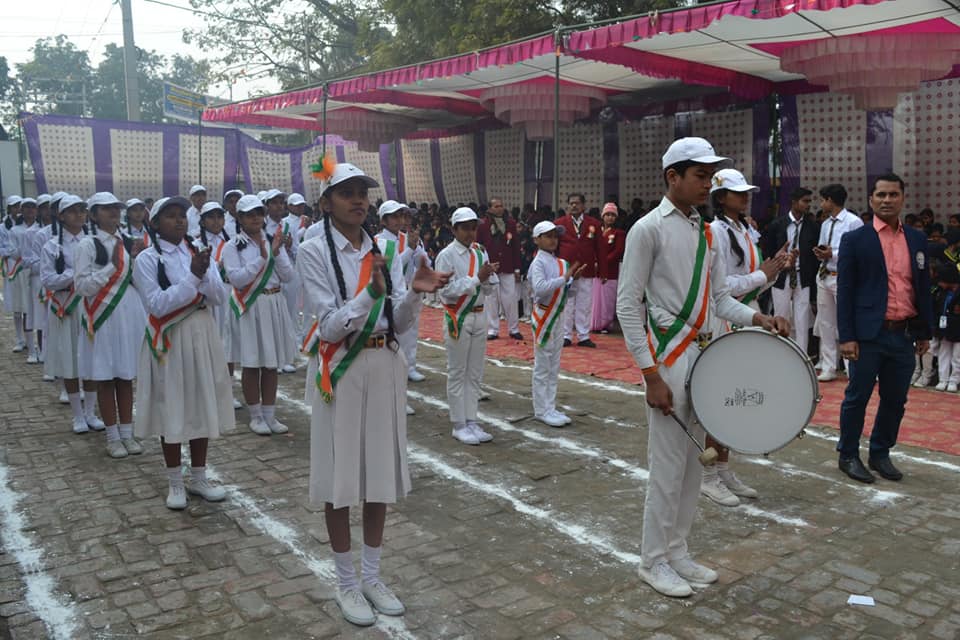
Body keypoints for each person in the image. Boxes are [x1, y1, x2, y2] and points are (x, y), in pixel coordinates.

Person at [617, 137, 790, 598]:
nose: (707, 184)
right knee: (667, 467)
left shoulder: (708, 232)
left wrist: (758, 318)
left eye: (711, 177)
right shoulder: (647, 229)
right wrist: (649, 374)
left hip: (705, 357)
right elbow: (628, 305)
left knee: (695, 465)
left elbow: (719, 300)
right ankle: (652, 561)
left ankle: (677, 551)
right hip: (669, 360)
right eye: (700, 176)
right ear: (672, 176)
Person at [297, 162, 449, 626]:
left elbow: (397, 321)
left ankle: (372, 575)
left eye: (363, 192)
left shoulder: (385, 247)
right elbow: (328, 326)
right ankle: (346, 582)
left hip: (384, 363)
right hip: (341, 368)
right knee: (341, 478)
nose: (358, 200)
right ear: (326, 202)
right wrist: (369, 294)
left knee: (379, 474)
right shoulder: (313, 250)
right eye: (347, 192)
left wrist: (414, 295)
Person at [134, 196, 233, 510]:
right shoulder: (147, 259)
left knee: (201, 403)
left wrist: (203, 274)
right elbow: (157, 305)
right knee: (173, 405)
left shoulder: (197, 252)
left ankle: (199, 478)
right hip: (170, 338)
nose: (178, 221)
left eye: (182, 215)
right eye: (170, 216)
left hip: (202, 332)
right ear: (155, 223)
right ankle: (175, 481)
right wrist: (193, 277)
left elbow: (218, 297)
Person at [698, 169, 789, 507]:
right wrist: (761, 275)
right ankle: (707, 476)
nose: (745, 196)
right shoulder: (716, 232)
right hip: (725, 319)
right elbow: (720, 288)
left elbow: (754, 283)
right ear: (720, 197)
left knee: (735, 399)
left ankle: (723, 468)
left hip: (747, 315)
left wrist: (774, 269)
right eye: (737, 192)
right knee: (720, 399)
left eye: (746, 191)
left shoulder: (745, 230)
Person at [836, 174, 932, 484]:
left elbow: (921, 287)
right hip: (868, 335)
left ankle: (880, 453)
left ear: (902, 198)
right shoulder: (855, 239)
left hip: (903, 334)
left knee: (895, 400)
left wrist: (924, 331)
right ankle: (848, 455)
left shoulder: (917, 239)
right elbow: (845, 290)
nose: (887, 200)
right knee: (857, 397)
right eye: (881, 195)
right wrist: (847, 336)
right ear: (871, 199)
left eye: (893, 194)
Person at [74, 192, 147, 458]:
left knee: (125, 377)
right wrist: (110, 268)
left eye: (116, 208)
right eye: (106, 209)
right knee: (105, 377)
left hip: (128, 315)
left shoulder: (128, 241)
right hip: (103, 316)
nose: (114, 212)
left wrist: (137, 260)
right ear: (93, 215)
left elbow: (138, 280)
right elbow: (82, 286)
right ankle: (112, 437)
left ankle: (127, 433)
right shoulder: (87, 245)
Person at [222, 194, 296, 436]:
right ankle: (255, 416)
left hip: (273, 303)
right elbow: (237, 279)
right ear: (240, 218)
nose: (255, 218)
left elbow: (288, 276)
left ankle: (270, 415)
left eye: (258, 213)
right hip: (250, 306)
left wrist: (277, 253)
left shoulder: (273, 240)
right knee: (252, 363)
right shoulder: (233, 246)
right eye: (249, 215)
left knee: (271, 364)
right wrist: (263, 259)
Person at [435, 207, 498, 445]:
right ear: (454, 229)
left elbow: (488, 289)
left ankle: (472, 420)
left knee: (475, 372)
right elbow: (446, 291)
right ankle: (459, 424)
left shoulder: (480, 252)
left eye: (473, 228)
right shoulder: (446, 255)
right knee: (457, 372)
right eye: (465, 228)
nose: (470, 233)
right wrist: (477, 279)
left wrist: (489, 278)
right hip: (458, 316)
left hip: (480, 314)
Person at [40, 195, 102, 433]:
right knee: (70, 360)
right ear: (62, 215)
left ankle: (91, 412)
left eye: (82, 210)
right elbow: (48, 280)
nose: (79, 215)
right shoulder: (52, 246)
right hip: (65, 307)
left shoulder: (94, 242)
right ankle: (77, 415)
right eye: (73, 211)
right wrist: (75, 274)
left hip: (90, 306)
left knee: (91, 359)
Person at [528, 220, 585, 427]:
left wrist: (573, 280)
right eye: (548, 236)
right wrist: (564, 278)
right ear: (537, 239)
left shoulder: (561, 263)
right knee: (543, 364)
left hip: (558, 315)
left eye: (555, 236)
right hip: (544, 316)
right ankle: (541, 409)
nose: (553, 240)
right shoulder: (538, 263)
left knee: (554, 364)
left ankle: (549, 406)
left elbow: (568, 293)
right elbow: (540, 288)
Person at [762, 187, 820, 358]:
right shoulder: (777, 224)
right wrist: (777, 267)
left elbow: (814, 256)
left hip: (803, 276)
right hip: (781, 276)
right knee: (781, 316)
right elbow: (768, 251)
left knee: (802, 319)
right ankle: (780, 356)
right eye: (805, 201)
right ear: (794, 202)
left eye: (809, 201)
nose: (808, 205)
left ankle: (801, 357)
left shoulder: (812, 226)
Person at [813, 184, 863, 382]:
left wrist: (832, 254)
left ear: (830, 200)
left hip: (843, 277)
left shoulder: (853, 222)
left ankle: (852, 366)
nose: (821, 204)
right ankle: (828, 366)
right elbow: (824, 246)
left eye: (822, 200)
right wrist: (821, 252)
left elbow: (858, 251)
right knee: (825, 322)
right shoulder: (826, 224)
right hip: (824, 274)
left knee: (846, 321)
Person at [197, 201, 242, 409]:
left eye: (219, 217)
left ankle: (226, 392)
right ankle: (207, 391)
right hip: (208, 297)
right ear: (202, 221)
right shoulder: (196, 242)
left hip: (228, 294)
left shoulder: (232, 242)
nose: (216, 221)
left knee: (227, 342)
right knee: (207, 343)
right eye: (211, 217)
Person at [555, 193, 602, 348]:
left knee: (585, 303)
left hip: (586, 269)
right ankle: (566, 335)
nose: (574, 206)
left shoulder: (594, 223)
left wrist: (603, 272)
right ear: (567, 206)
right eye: (571, 203)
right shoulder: (560, 224)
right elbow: (554, 247)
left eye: (577, 203)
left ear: (583, 206)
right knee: (567, 303)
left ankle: (583, 335)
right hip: (566, 270)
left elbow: (600, 248)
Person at [263, 189, 300, 374]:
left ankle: (285, 358)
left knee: (288, 316)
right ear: (267, 206)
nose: (278, 206)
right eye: (274, 203)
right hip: (270, 277)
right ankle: (273, 359)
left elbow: (297, 252)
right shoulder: (262, 226)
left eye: (280, 203)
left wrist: (290, 245)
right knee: (272, 319)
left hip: (288, 274)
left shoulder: (288, 226)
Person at [477, 198, 524, 341]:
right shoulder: (483, 225)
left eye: (501, 205)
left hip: (508, 265)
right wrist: (482, 266)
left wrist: (517, 268)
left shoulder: (510, 223)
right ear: (490, 208)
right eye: (496, 206)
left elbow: (516, 246)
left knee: (510, 298)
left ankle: (514, 329)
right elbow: (478, 246)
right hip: (490, 266)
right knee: (491, 300)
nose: (500, 208)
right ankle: (493, 329)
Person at [8, 197, 40, 363]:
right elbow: (12, 252)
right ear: (22, 210)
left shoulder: (41, 228)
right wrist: (24, 249)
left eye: (32, 207)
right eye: (26, 207)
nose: (30, 210)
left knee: (40, 311)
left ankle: (41, 348)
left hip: (38, 274)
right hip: (20, 272)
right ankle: (29, 347)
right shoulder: (15, 230)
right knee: (24, 308)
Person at [591, 202, 625, 333]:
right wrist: (594, 261)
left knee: (607, 300)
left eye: (612, 215)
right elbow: (590, 247)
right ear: (603, 216)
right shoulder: (596, 231)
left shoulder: (619, 233)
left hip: (610, 272)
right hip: (595, 270)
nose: (610, 217)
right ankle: (593, 324)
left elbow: (618, 251)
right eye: (607, 214)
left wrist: (602, 262)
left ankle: (605, 324)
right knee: (594, 298)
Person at [932, 266, 960, 392]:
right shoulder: (941, 292)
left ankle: (954, 380)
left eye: (942, 280)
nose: (939, 283)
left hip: (957, 328)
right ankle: (943, 379)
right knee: (943, 354)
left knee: (957, 356)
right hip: (944, 327)